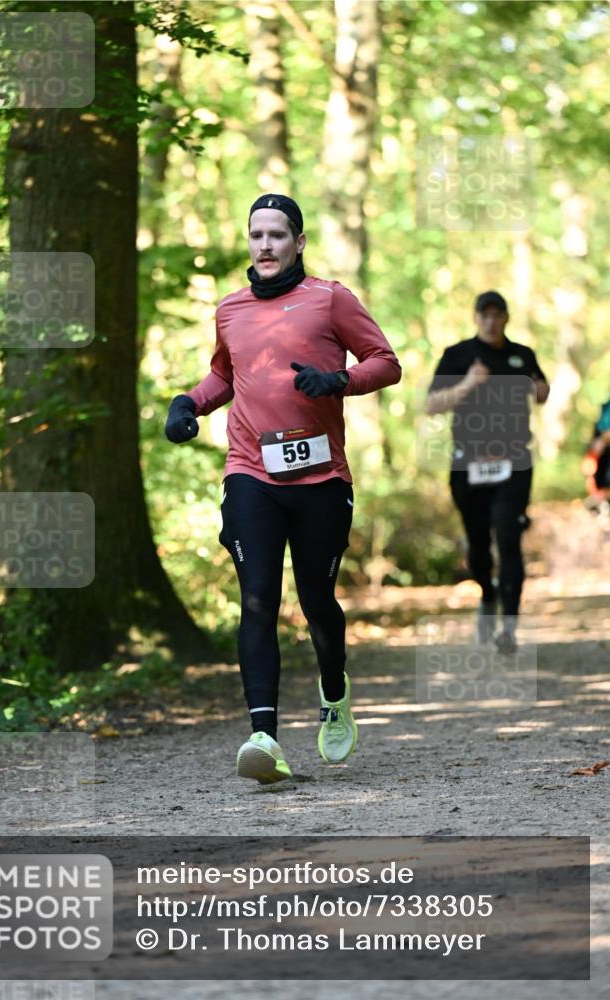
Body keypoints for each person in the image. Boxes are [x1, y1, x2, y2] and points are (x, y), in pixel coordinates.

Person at [165, 193, 401, 784]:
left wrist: (338, 380)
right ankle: (264, 736)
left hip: (321, 477)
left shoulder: (330, 298)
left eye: (277, 235)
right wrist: (187, 403)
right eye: (256, 235)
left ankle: (333, 690)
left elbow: (386, 361)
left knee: (317, 602)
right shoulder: (230, 309)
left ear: (298, 243)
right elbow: (225, 374)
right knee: (257, 600)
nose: (265, 245)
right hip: (251, 472)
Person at [426, 290, 549, 654]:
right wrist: (467, 384)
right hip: (468, 464)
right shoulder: (458, 355)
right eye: (485, 315)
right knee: (479, 546)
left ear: (506, 318)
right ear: (476, 318)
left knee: (509, 538)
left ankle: (508, 628)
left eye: (498, 315)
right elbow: (432, 405)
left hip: (513, 462)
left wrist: (541, 389)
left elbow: (541, 391)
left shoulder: (522, 354)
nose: (491, 321)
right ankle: (488, 593)